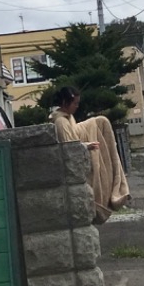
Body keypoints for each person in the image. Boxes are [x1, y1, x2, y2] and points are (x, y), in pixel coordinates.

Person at [50, 86, 130, 224]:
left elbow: (75, 132)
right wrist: (87, 146)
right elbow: (69, 147)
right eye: (74, 103)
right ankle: (111, 194)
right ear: (65, 102)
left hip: (82, 149)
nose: (76, 106)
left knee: (101, 122)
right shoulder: (61, 122)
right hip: (79, 163)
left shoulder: (67, 117)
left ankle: (117, 188)